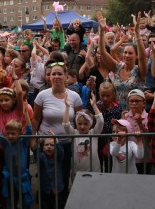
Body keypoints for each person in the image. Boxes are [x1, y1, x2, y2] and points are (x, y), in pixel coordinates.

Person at [32, 62, 83, 206]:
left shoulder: (74, 96)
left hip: (66, 144)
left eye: (60, 73)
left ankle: (61, 203)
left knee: (63, 175)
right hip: (46, 144)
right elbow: (35, 119)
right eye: (53, 73)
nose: (56, 76)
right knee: (45, 175)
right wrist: (32, 140)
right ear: (49, 77)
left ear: (66, 76)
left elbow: (79, 119)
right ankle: (45, 202)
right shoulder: (42, 95)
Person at [0, 96, 33, 209]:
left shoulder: (23, 142)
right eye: (8, 133)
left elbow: (29, 130)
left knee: (25, 201)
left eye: (13, 134)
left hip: (22, 177)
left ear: (19, 133)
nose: (9, 136)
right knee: (10, 200)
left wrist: (26, 114)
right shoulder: (5, 142)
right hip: (9, 177)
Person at [98, 12, 147, 109]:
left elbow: (143, 57)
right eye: (125, 52)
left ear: (136, 56)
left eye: (130, 53)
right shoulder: (117, 67)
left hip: (135, 113)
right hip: (118, 113)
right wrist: (102, 32)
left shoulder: (139, 71)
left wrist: (137, 33)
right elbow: (103, 52)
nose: (126, 55)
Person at [63, 92, 103, 173]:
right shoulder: (74, 133)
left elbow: (101, 121)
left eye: (85, 124)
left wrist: (94, 105)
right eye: (79, 123)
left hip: (93, 170)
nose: (82, 126)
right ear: (76, 123)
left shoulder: (94, 133)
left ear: (91, 124)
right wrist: (67, 107)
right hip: (77, 171)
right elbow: (66, 125)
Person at [93, 82, 122, 172]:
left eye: (108, 96)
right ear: (99, 94)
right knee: (98, 164)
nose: (105, 98)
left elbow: (119, 124)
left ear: (113, 95)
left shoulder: (117, 108)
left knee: (110, 165)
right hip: (98, 141)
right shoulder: (96, 105)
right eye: (102, 96)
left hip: (111, 141)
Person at [38, 135, 64, 209]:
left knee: (57, 204)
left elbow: (61, 152)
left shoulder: (58, 157)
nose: (49, 147)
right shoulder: (42, 156)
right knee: (46, 204)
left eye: (52, 145)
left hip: (57, 185)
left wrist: (57, 141)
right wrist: (38, 144)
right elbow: (37, 156)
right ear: (43, 148)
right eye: (46, 145)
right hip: (46, 186)